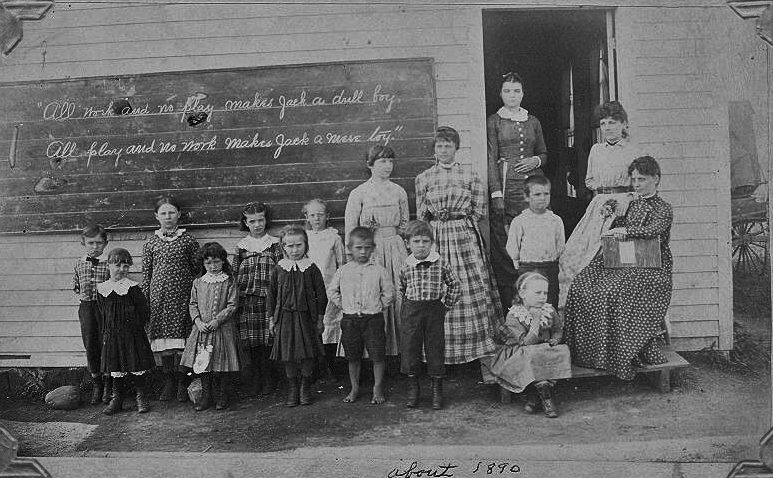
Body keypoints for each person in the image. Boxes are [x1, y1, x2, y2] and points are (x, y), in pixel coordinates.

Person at [564, 156, 673, 381]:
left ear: (656, 179)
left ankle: (618, 355)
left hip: (650, 263)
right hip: (624, 256)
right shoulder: (631, 203)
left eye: (642, 179)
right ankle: (591, 355)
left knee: (610, 291)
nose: (637, 184)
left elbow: (655, 231)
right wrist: (611, 220)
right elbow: (620, 225)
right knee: (582, 285)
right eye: (634, 180)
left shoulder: (664, 208)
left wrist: (627, 232)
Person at [415, 126, 503, 365]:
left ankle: (475, 347)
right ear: (434, 149)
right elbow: (421, 216)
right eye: (439, 146)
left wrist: (457, 223)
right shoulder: (423, 178)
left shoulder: (470, 176)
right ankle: (439, 352)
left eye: (448, 146)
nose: (443, 150)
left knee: (467, 286)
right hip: (436, 238)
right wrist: (437, 226)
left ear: (456, 148)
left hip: (463, 236)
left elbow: (479, 211)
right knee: (439, 288)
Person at [558, 101, 641, 307]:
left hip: (624, 206)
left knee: (611, 259)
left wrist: (629, 197)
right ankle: (577, 314)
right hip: (599, 207)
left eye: (612, 122)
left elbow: (643, 184)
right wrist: (601, 198)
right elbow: (590, 180)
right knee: (572, 256)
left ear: (623, 124)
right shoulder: (596, 150)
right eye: (603, 123)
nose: (607, 128)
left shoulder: (633, 151)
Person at [487, 72, 548, 308]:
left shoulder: (533, 121)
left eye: (516, 91)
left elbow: (544, 152)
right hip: (506, 185)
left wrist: (536, 161)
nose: (512, 96)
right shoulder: (495, 120)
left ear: (523, 93)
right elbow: (491, 158)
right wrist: (496, 193)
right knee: (507, 244)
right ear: (501, 94)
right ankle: (513, 306)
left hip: (533, 186)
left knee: (535, 239)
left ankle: (538, 301)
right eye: (507, 91)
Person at [344, 144, 409, 358]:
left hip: (395, 248)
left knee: (398, 295)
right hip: (370, 251)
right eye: (382, 161)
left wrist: (396, 243)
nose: (387, 166)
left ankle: (400, 354)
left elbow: (405, 224)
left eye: (390, 161)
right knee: (373, 296)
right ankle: (374, 355)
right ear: (370, 165)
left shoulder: (398, 191)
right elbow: (351, 231)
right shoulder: (359, 193)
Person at [480, 272, 570, 418]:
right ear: (522, 293)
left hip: (544, 349)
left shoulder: (549, 310)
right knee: (532, 355)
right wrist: (535, 320)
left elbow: (558, 329)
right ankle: (547, 399)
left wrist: (555, 339)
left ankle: (535, 396)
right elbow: (526, 343)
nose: (542, 297)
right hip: (520, 350)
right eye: (537, 292)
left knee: (563, 351)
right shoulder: (515, 315)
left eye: (545, 293)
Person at [141, 197, 199, 402]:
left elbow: (196, 269)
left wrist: (195, 297)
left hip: (182, 298)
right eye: (163, 213)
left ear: (179, 215)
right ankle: (169, 382)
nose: (168, 217)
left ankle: (184, 382)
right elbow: (146, 273)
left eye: (171, 212)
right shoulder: (151, 242)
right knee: (165, 343)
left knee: (183, 342)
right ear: (157, 216)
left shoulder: (189, 240)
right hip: (159, 300)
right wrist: (145, 299)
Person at [398, 220, 460, 410]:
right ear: (408, 243)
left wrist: (445, 306)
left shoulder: (440, 263)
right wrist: (407, 308)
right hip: (412, 312)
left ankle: (436, 390)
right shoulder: (406, 265)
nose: (421, 245)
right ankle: (414, 389)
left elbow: (455, 285)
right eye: (416, 241)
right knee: (410, 349)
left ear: (432, 242)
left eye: (425, 241)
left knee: (435, 349)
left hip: (434, 310)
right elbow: (401, 288)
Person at [328, 227, 394, 405]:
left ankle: (377, 388)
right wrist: (344, 305)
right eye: (358, 247)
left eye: (367, 247)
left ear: (373, 248)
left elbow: (389, 292)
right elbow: (332, 291)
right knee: (353, 356)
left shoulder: (379, 270)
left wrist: (379, 306)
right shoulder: (343, 270)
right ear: (349, 248)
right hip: (350, 320)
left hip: (373, 319)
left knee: (378, 355)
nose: (363, 251)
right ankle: (355, 387)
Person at [268, 225, 327, 407]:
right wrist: (272, 319)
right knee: (287, 353)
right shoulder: (279, 269)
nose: (295, 250)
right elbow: (272, 295)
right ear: (283, 247)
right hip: (285, 317)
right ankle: (293, 387)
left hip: (306, 318)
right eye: (290, 246)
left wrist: (319, 319)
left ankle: (305, 387)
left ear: (306, 245)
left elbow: (322, 295)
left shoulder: (311, 268)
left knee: (308, 353)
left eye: (299, 245)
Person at [180, 242, 240, 411]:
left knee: (222, 364)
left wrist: (217, 320)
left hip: (223, 329)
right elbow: (192, 304)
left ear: (223, 261)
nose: (213, 266)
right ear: (203, 263)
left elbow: (232, 305)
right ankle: (207, 395)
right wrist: (198, 321)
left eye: (216, 262)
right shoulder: (198, 282)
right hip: (202, 330)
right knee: (203, 364)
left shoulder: (229, 281)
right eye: (208, 263)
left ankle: (223, 395)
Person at [232, 203, 284, 396]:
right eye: (252, 221)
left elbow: (281, 271)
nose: (257, 224)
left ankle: (269, 379)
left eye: (261, 220)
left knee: (267, 341)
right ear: (245, 222)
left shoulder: (275, 244)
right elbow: (234, 274)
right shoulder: (241, 247)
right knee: (251, 344)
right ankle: (255, 380)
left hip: (268, 301)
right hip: (248, 302)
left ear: (266, 220)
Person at [98, 248, 155, 415]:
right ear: (108, 265)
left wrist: (136, 328)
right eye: (117, 265)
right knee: (116, 368)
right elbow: (102, 312)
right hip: (113, 335)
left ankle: (141, 397)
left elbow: (143, 311)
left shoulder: (132, 288)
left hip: (132, 334)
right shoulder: (103, 289)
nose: (121, 269)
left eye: (125, 266)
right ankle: (117, 399)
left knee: (136, 365)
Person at [506, 175, 565, 309]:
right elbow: (512, 245)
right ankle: (529, 329)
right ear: (527, 197)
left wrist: (554, 260)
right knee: (528, 303)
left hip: (550, 267)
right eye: (537, 194)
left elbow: (560, 245)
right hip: (528, 267)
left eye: (546, 194)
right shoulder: (520, 220)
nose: (542, 198)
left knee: (549, 302)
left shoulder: (555, 220)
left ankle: (549, 329)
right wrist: (517, 262)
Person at [303, 199, 346, 378]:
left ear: (327, 216)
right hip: (309, 289)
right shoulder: (304, 237)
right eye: (312, 215)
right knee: (312, 326)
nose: (317, 218)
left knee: (329, 325)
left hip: (329, 288)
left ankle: (330, 364)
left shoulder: (334, 237)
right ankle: (314, 366)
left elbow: (341, 263)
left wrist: (338, 287)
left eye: (320, 214)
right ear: (306, 217)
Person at [72, 224, 111, 405]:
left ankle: (109, 384)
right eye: (91, 243)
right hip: (87, 308)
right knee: (91, 344)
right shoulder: (79, 264)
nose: (95, 247)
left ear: (105, 244)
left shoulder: (110, 263)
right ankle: (97, 384)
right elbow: (77, 287)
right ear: (83, 243)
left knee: (107, 343)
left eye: (99, 243)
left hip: (106, 307)